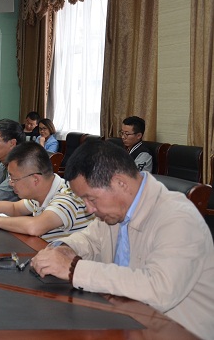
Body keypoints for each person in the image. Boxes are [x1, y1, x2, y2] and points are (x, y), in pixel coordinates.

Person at [30, 141, 214, 339]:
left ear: (120, 183)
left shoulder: (178, 218)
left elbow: (159, 290)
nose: (89, 209)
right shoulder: (115, 212)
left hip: (177, 332)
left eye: (91, 199)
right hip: (125, 320)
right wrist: (64, 248)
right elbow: (90, 240)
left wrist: (74, 268)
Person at [0, 142, 93, 240]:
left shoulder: (67, 197)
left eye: (14, 179)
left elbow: (35, 226)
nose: (10, 183)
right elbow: (15, 208)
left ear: (35, 179)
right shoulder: (42, 192)